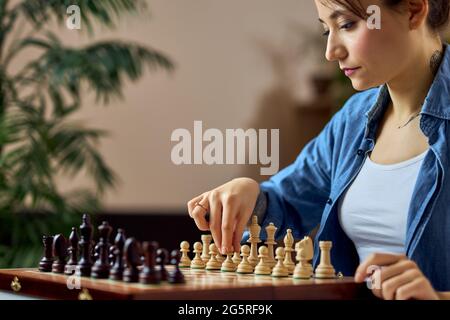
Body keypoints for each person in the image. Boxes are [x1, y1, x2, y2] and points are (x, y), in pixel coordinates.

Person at [187, 0, 450, 300]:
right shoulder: (353, 120)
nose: (331, 51)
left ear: (414, 11)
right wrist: (250, 195)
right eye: (327, 30)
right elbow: (288, 202)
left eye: (348, 24)